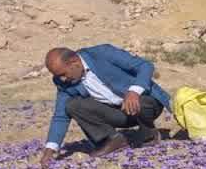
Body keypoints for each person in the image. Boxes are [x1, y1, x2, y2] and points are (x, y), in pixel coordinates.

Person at [39, 45, 171, 160]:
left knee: (142, 102)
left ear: (74, 62)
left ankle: (148, 132)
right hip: (119, 114)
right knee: (72, 105)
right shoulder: (63, 81)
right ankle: (113, 140)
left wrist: (134, 91)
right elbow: (61, 115)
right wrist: (51, 147)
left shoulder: (102, 53)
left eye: (63, 74)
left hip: (145, 104)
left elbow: (145, 65)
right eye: (58, 76)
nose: (62, 79)